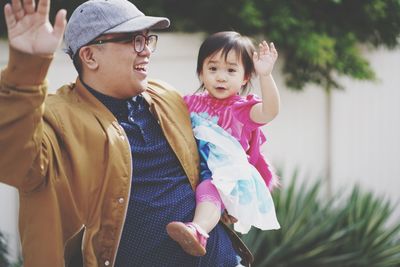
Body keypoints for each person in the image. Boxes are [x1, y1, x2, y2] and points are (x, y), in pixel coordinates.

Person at [0, 0, 252, 266]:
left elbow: (209, 158)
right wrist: (27, 68)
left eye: (147, 40)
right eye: (134, 41)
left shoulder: (166, 96)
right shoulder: (54, 117)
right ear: (90, 56)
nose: (146, 51)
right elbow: (13, 161)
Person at [166, 31, 281, 256]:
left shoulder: (242, 110)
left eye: (231, 70)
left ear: (246, 76)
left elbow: (271, 111)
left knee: (210, 188)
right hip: (195, 172)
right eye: (213, 69)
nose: (221, 77)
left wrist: (265, 75)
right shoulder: (189, 103)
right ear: (201, 72)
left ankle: (198, 230)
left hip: (228, 178)